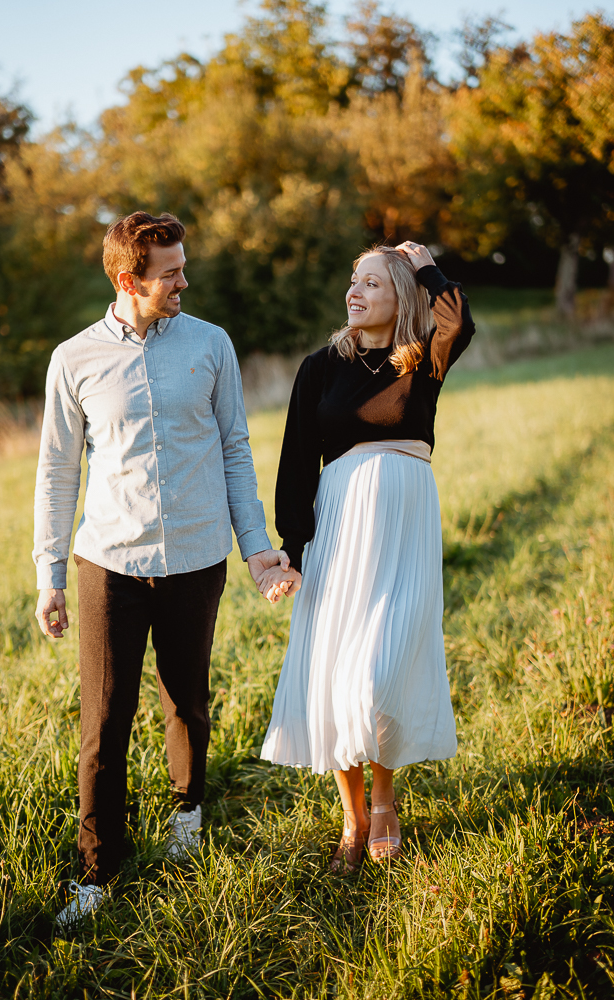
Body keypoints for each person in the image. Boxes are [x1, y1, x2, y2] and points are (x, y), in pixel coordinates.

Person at [33, 211, 297, 929]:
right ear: (129, 280)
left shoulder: (211, 344)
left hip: (196, 558)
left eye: (183, 268)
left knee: (187, 700)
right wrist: (50, 575)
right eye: (171, 274)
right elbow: (57, 473)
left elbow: (235, 449)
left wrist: (255, 547)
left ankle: (187, 815)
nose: (185, 282)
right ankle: (96, 872)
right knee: (104, 720)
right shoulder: (74, 359)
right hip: (109, 564)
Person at [256, 241, 475, 871]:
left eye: (373, 282)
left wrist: (425, 265)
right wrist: (291, 550)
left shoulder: (424, 359)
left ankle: (385, 799)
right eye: (354, 280)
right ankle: (354, 818)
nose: (355, 291)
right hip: (339, 527)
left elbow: (457, 320)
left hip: (404, 530)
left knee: (380, 670)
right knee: (336, 671)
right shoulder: (321, 367)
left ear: (401, 296)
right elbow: (298, 461)